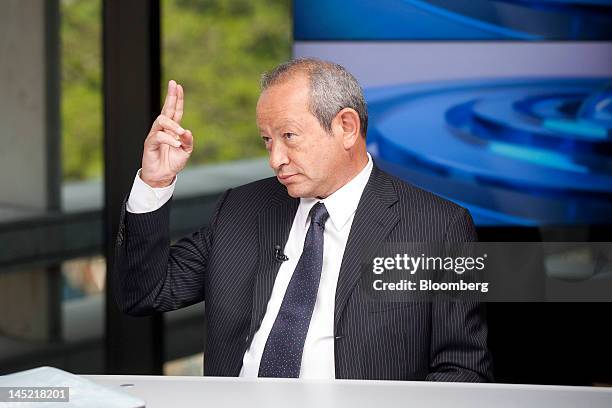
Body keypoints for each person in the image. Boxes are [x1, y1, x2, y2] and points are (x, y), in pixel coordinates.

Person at [115, 57, 493, 381]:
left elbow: (462, 367)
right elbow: (145, 293)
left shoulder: (436, 227)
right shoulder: (242, 209)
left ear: (346, 127)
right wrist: (156, 181)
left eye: (289, 136)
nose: (274, 158)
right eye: (266, 140)